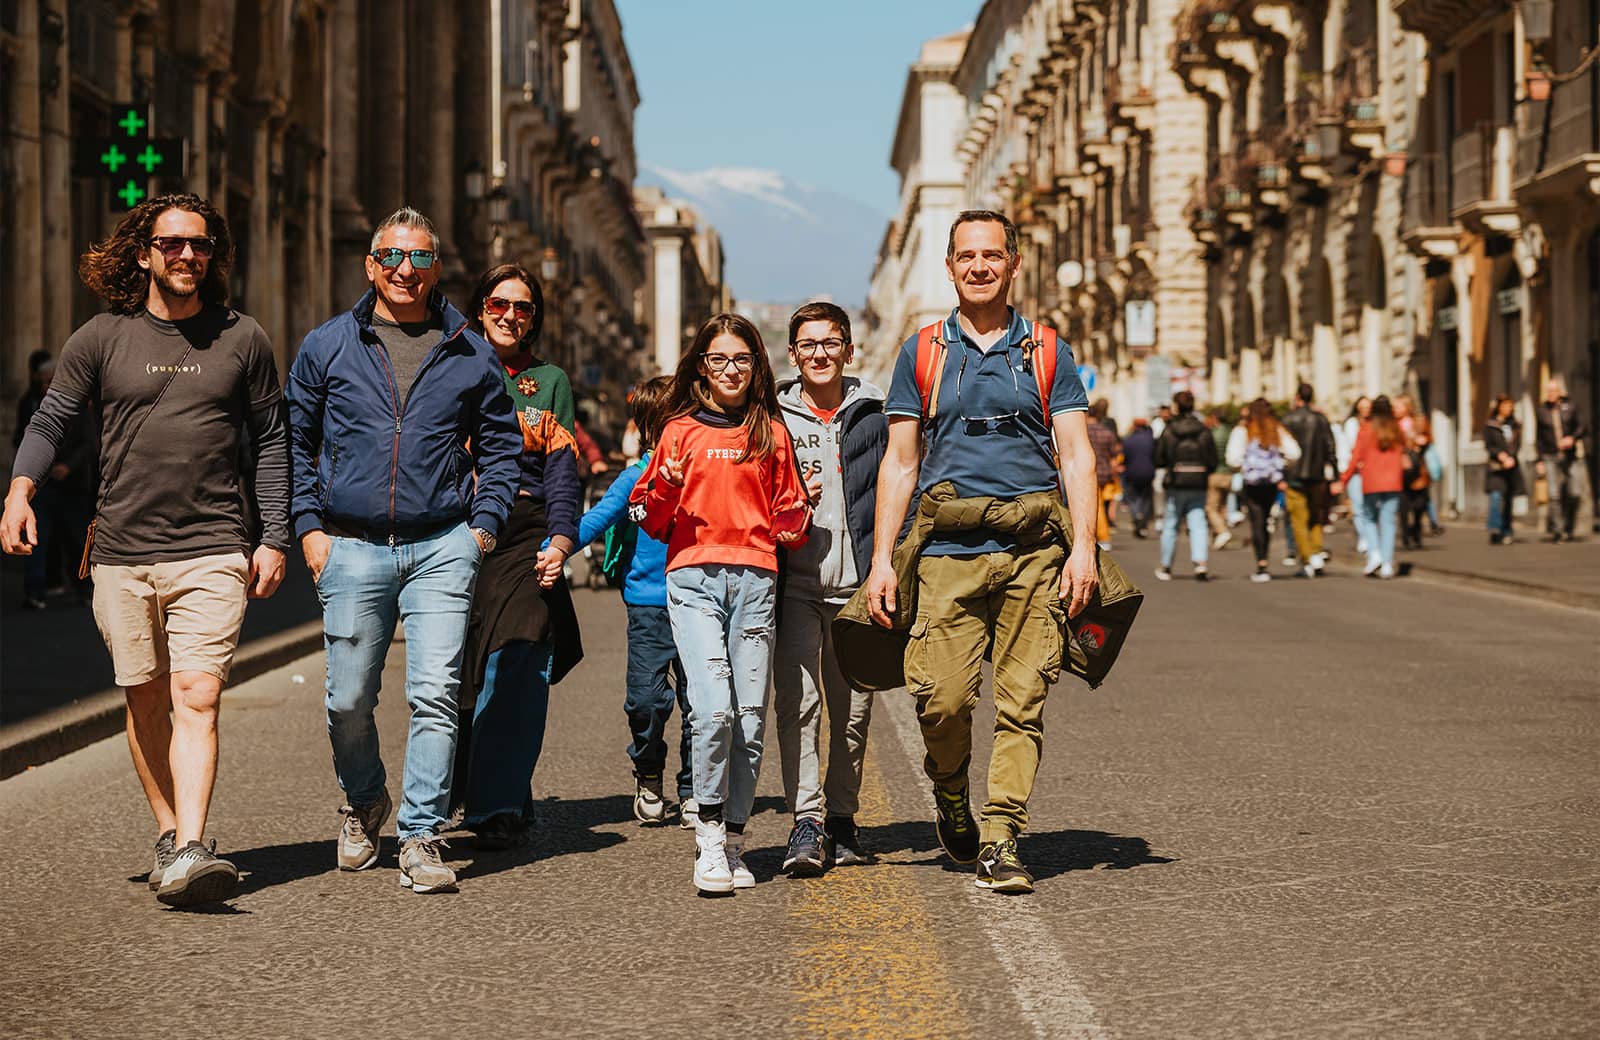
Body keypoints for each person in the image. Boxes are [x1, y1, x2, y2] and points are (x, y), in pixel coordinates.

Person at [2, 193, 290, 907]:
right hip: (122, 550)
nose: (187, 255)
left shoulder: (243, 338)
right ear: (144, 254)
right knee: (145, 697)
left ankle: (192, 844)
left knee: (198, 694)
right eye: (172, 245)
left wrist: (275, 535)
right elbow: (53, 416)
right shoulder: (99, 339)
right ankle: (169, 832)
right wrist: (18, 490)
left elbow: (275, 442)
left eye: (199, 245)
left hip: (213, 545)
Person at [286, 207, 522, 895]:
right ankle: (364, 801)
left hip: (443, 544)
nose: (404, 270)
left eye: (419, 259)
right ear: (370, 266)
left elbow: (502, 448)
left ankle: (420, 834)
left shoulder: (469, 349)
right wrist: (309, 528)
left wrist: (482, 528)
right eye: (391, 256)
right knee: (347, 701)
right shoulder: (328, 345)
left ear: (437, 268)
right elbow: (294, 444)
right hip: (350, 545)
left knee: (436, 694)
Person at [865, 210, 1097, 895]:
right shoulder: (925, 351)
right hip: (946, 554)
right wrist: (883, 558)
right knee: (941, 702)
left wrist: (1083, 548)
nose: (979, 266)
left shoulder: (1047, 350)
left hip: (1033, 554)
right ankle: (951, 792)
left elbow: (1076, 454)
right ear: (950, 267)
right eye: (967, 256)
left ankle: (1001, 835)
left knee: (1024, 701)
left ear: (1013, 264)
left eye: (992, 254)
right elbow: (900, 463)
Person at [629, 313, 811, 895]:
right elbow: (647, 517)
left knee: (751, 720)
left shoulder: (771, 434)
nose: (730, 371)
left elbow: (791, 515)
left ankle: (735, 840)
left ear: (757, 365)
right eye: (718, 360)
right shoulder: (679, 431)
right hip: (694, 581)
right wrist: (667, 485)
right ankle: (707, 834)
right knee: (714, 712)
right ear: (701, 367)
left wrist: (796, 520)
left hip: (756, 580)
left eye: (741, 360)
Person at [454, 264, 584, 849]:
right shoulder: (447, 364)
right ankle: (466, 789)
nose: (511, 315)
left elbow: (562, 473)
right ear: (481, 307)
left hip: (527, 528)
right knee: (460, 671)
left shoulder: (549, 381)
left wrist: (561, 540)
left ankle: (498, 804)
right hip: (456, 528)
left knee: (521, 657)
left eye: (524, 306)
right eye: (499, 303)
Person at [773, 301, 887, 876]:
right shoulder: (771, 418)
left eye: (831, 343)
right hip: (792, 583)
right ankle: (806, 821)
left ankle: (843, 820)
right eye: (809, 345)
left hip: (858, 585)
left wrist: (889, 566)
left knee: (852, 713)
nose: (820, 354)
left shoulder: (876, 415)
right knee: (799, 706)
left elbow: (900, 488)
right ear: (793, 354)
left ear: (848, 349)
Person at [575, 375, 694, 827]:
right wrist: (556, 545)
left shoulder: (703, 473)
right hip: (648, 605)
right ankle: (648, 772)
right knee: (646, 701)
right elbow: (597, 519)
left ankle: (693, 788)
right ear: (649, 427)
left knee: (700, 703)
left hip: (701, 602)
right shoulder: (635, 477)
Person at [1227, 399, 1301, 583]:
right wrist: (1279, 466)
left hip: (1252, 483)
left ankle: (1261, 562)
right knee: (1266, 518)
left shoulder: (1243, 431)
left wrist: (1246, 467)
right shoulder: (1276, 429)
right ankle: (1264, 558)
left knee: (1256, 520)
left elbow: (1232, 458)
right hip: (1270, 482)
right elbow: (1295, 453)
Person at [1337, 395, 1405, 577]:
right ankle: (1387, 563)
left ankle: (1374, 553)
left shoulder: (1366, 429)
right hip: (1393, 482)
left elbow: (1355, 457)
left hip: (1371, 482)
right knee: (1388, 522)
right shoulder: (1396, 428)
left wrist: (1343, 480)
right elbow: (1404, 450)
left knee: (1369, 518)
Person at [1154, 391, 1217, 581]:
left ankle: (1166, 565)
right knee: (1198, 523)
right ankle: (1200, 563)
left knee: (1171, 524)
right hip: (1198, 481)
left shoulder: (1170, 430)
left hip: (1176, 481)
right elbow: (1213, 459)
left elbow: (1158, 458)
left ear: (1176, 406)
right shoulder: (1203, 430)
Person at [1281, 383, 1337, 577]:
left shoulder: (1288, 419)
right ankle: (1316, 551)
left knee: (1298, 519)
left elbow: (1281, 449)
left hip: (1294, 476)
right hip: (1316, 475)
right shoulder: (1320, 419)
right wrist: (1335, 474)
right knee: (1315, 517)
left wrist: (1281, 476)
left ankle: (1307, 558)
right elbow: (1330, 446)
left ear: (1297, 398)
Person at [1535, 377, 1587, 542]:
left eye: (1553, 391)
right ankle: (1558, 530)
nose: (1550, 394)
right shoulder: (1542, 410)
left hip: (1570, 456)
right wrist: (1539, 459)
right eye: (1548, 391)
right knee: (1554, 494)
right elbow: (1539, 437)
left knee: (1575, 492)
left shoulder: (1570, 407)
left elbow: (1582, 427)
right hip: (1550, 455)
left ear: (1560, 392)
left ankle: (1568, 527)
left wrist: (1572, 438)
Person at [1482, 394, 1524, 545]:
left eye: (1511, 406)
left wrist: (1511, 457)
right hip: (1496, 468)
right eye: (1506, 405)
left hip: (1511, 467)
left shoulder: (1515, 425)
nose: (1508, 409)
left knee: (1508, 500)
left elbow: (1517, 444)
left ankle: (1507, 530)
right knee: (1495, 496)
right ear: (1499, 407)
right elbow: (1488, 445)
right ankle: (1495, 528)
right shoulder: (1491, 425)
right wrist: (1500, 455)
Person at [1340, 396, 1374, 555]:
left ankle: (1371, 537)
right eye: (1363, 407)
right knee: (1358, 505)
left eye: (1368, 407)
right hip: (1355, 471)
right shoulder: (1352, 424)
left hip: (1371, 471)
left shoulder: (1375, 424)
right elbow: (1350, 448)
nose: (1365, 410)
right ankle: (1364, 537)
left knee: (1371, 506)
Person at [1087, 399, 1123, 549]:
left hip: (1088, 471)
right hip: (1105, 472)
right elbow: (1116, 455)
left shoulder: (1083, 432)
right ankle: (1102, 535)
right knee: (1101, 505)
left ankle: (1099, 536)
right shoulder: (1107, 433)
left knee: (1094, 505)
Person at [1400, 415, 1435, 551]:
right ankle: (1406, 537)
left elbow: (1428, 453)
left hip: (1420, 479)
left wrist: (1422, 445)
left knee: (1419, 507)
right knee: (1404, 510)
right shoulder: (1403, 437)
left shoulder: (1426, 439)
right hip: (1404, 478)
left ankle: (1416, 533)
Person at [1204, 408, 1237, 548]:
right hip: (1229, 473)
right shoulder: (1231, 432)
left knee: (1211, 508)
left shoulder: (1212, 434)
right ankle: (1218, 538)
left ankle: (1222, 531)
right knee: (1222, 506)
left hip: (1215, 473)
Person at [1121, 417, 1156, 539]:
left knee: (1133, 498)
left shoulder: (1128, 440)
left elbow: (1125, 457)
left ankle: (1137, 516)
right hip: (1148, 472)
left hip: (1132, 472)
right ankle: (1143, 521)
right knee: (1146, 498)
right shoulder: (1151, 439)